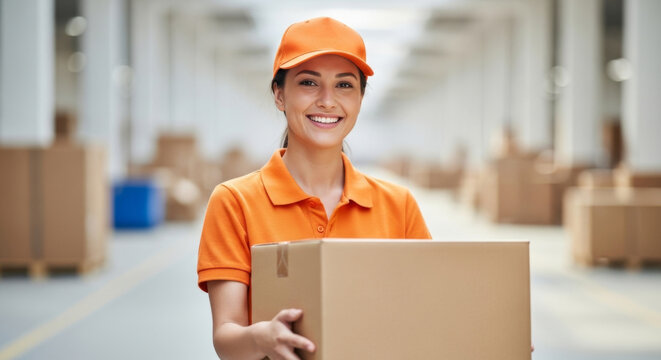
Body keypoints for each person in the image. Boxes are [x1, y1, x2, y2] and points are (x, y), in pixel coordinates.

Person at [197, 17, 431, 360]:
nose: (327, 100)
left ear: (360, 99)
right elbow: (226, 338)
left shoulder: (399, 205)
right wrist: (262, 338)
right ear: (279, 94)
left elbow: (425, 316)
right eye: (309, 82)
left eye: (344, 85)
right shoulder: (235, 202)